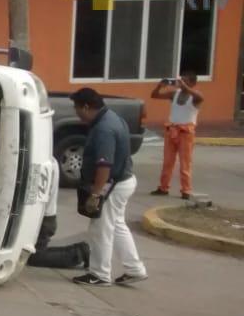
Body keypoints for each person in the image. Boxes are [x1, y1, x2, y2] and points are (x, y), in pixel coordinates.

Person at [69, 88, 147, 287]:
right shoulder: (112, 117)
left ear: (86, 107)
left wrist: (95, 194)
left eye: (77, 108)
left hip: (113, 184)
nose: (76, 112)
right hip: (123, 180)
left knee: (100, 228)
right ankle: (134, 269)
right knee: (117, 225)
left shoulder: (104, 128)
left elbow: (105, 165)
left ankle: (100, 274)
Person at [150, 69, 204, 199]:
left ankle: (186, 190)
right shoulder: (175, 93)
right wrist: (159, 86)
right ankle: (163, 187)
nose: (181, 83)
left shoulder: (195, 96)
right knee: (168, 161)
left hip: (186, 132)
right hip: (172, 129)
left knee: (185, 163)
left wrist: (185, 87)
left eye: (185, 80)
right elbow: (154, 95)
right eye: (181, 80)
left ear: (192, 83)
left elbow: (201, 97)